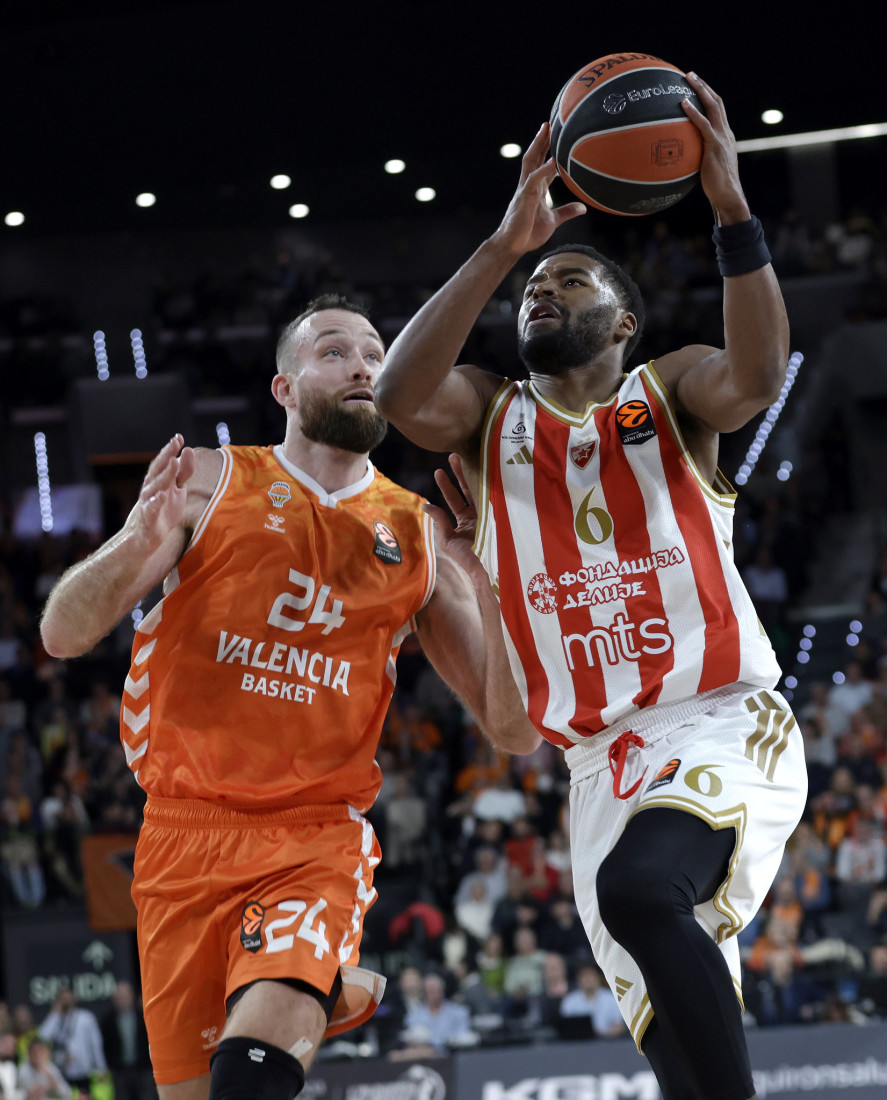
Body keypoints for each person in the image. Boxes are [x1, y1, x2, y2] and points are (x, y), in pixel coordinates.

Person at [375, 75, 808, 1100]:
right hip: (593, 771)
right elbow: (396, 396)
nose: (542, 291)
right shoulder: (487, 415)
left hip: (715, 721)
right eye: (535, 286)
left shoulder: (671, 391)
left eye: (569, 279)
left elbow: (756, 375)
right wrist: (502, 247)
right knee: (682, 1061)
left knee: (639, 891)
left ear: (622, 323)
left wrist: (731, 209)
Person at [39, 296, 537, 1100]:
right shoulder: (209, 481)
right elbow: (62, 633)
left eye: (374, 353)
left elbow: (514, 732)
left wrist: (493, 585)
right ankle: (313, 991)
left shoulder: (418, 533)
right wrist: (135, 540)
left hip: (314, 839)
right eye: (334, 352)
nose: (362, 367)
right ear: (284, 388)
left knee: (252, 1073)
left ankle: (307, 981)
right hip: (181, 835)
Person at [36, 988, 106, 1096]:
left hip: (83, 1071)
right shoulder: (56, 1019)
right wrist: (55, 1013)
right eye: (62, 998)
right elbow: (42, 1036)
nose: (65, 1001)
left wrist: (101, 1068)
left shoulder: (85, 1017)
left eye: (67, 998)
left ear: (74, 998)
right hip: (62, 1070)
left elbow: (96, 1044)